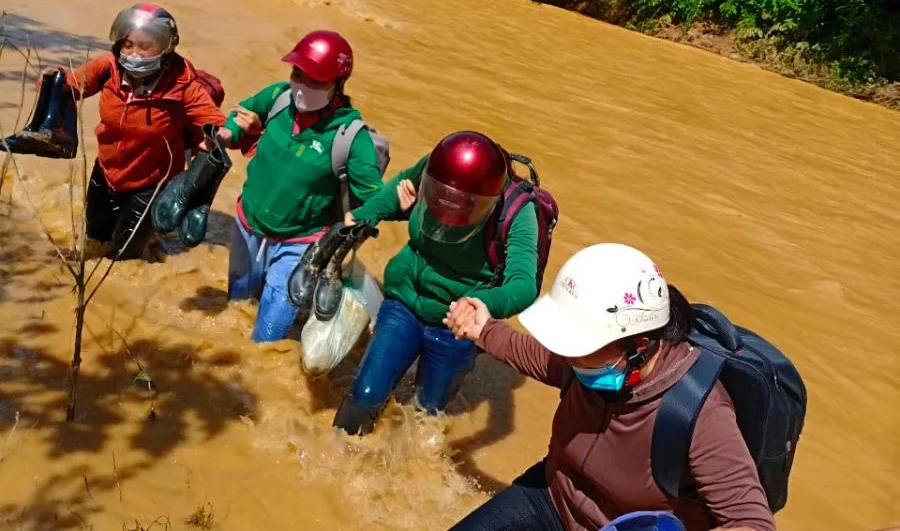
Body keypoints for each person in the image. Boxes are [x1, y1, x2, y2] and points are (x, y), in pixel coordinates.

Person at [444, 243, 776, 531]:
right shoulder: (588, 356)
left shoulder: (698, 412)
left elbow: (751, 521)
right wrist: (484, 329)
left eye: (577, 348)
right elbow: (535, 355)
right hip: (552, 496)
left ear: (639, 346)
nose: (566, 357)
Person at [332, 130, 540, 436]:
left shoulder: (519, 212)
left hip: (456, 324)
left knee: (425, 414)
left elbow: (524, 284)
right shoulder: (438, 167)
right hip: (404, 301)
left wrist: (481, 304)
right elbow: (400, 184)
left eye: (463, 204)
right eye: (443, 198)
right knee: (363, 398)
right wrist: (363, 216)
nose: (447, 213)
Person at [218, 30, 384, 343]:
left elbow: (374, 199)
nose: (303, 87)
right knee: (236, 307)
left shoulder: (350, 137)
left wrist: (355, 227)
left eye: (316, 81)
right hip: (248, 224)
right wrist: (228, 136)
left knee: (269, 335)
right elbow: (240, 114)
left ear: (338, 83)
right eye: (298, 74)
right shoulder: (279, 98)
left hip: (299, 242)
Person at [45, 3, 226, 260]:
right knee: (94, 239)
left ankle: (147, 242)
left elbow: (215, 122)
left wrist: (221, 137)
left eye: (145, 46)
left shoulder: (183, 86)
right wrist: (52, 81)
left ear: (166, 48)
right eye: (128, 45)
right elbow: (71, 87)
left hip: (151, 183)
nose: (134, 54)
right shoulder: (107, 68)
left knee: (122, 260)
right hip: (106, 171)